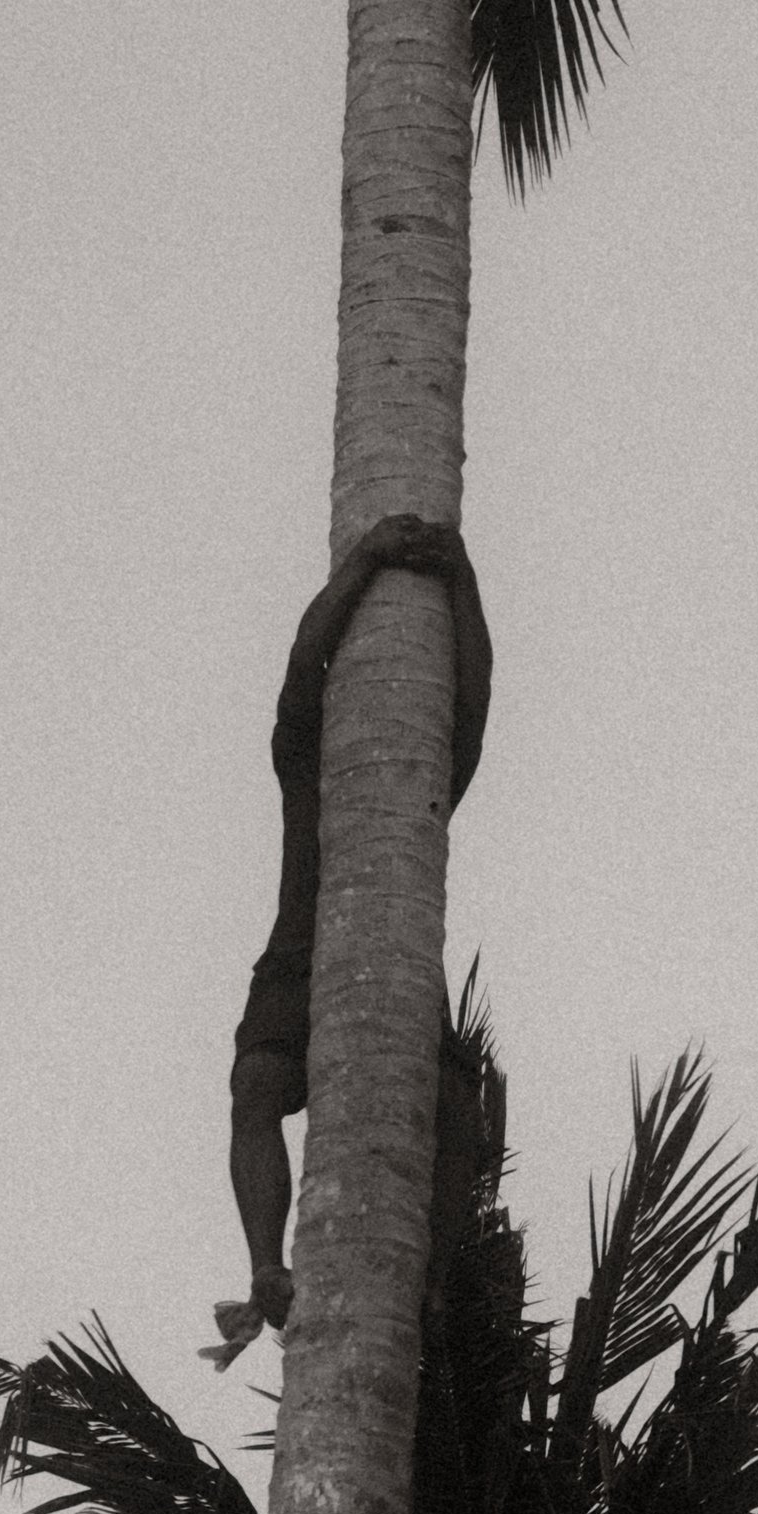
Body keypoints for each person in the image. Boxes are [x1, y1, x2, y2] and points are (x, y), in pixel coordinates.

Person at [207, 514, 492, 1369]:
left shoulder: (424, 770)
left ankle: (429, 1286)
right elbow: (303, 671)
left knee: (452, 1110)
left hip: (388, 970)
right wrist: (365, 559)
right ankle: (265, 1264)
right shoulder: (306, 757)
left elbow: (469, 700)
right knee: (256, 1084)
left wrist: (464, 585)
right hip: (299, 955)